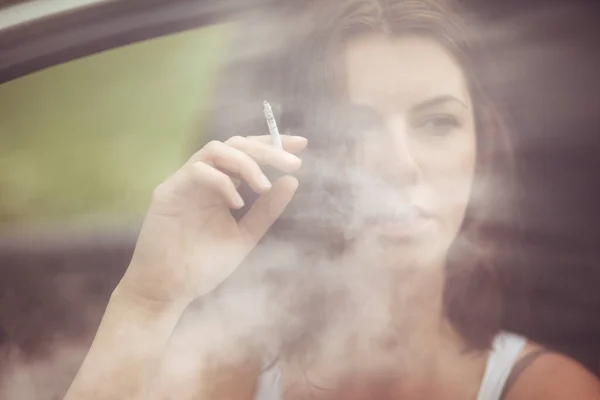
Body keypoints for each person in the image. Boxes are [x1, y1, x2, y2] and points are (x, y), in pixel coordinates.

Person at [64, 0, 600, 399]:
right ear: (303, 152)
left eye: (437, 123)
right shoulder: (227, 373)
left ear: (482, 150)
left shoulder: (546, 389)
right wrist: (147, 301)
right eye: (356, 126)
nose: (400, 162)